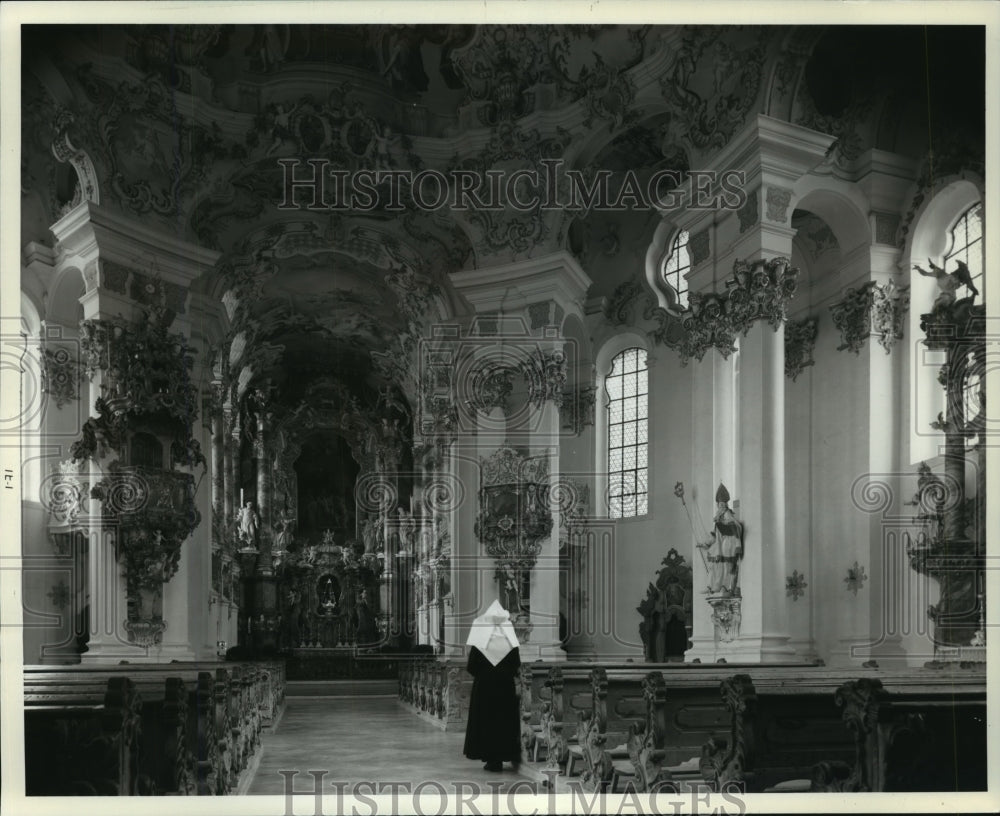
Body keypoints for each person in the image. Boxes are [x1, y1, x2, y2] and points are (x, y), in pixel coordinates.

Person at [463, 600, 522, 773]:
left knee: (486, 722)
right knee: (503, 720)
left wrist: (484, 675)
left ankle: (490, 758)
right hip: (505, 686)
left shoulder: (481, 640)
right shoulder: (510, 640)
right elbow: (515, 664)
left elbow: (471, 666)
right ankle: (503, 754)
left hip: (484, 687)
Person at [697, 483, 744, 596]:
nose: (721, 506)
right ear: (717, 505)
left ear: (726, 505)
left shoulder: (727, 514)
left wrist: (726, 525)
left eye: (723, 504)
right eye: (720, 504)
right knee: (714, 565)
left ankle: (726, 586)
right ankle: (713, 587)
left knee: (726, 566)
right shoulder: (718, 517)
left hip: (728, 543)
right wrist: (705, 544)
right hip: (719, 544)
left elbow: (736, 526)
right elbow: (714, 535)